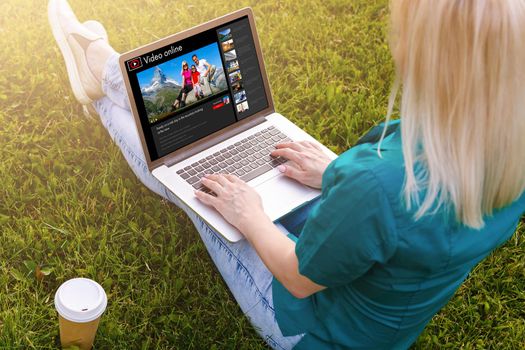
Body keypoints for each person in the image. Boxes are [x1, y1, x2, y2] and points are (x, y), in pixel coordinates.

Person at [48, 0, 525, 349]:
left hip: (311, 327)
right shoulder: (506, 154)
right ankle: (107, 72)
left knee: (195, 186)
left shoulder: (378, 187)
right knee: (208, 161)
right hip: (380, 325)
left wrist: (250, 215)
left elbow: (299, 279)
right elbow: (399, 225)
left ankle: (100, 76)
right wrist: (337, 172)